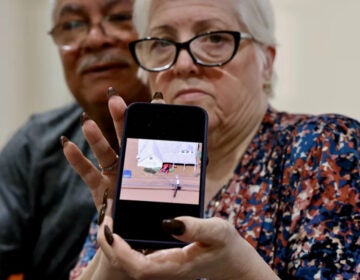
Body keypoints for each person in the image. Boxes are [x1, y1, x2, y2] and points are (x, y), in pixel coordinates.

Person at [63, 0, 360, 279]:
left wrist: (241, 270)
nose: (181, 64)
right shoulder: (138, 172)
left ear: (266, 63)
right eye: (162, 43)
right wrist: (114, 260)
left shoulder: (325, 147)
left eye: (215, 38)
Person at [0, 0, 150, 279]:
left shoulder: (208, 136)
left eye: (119, 17)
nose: (94, 39)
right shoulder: (34, 145)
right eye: (71, 25)